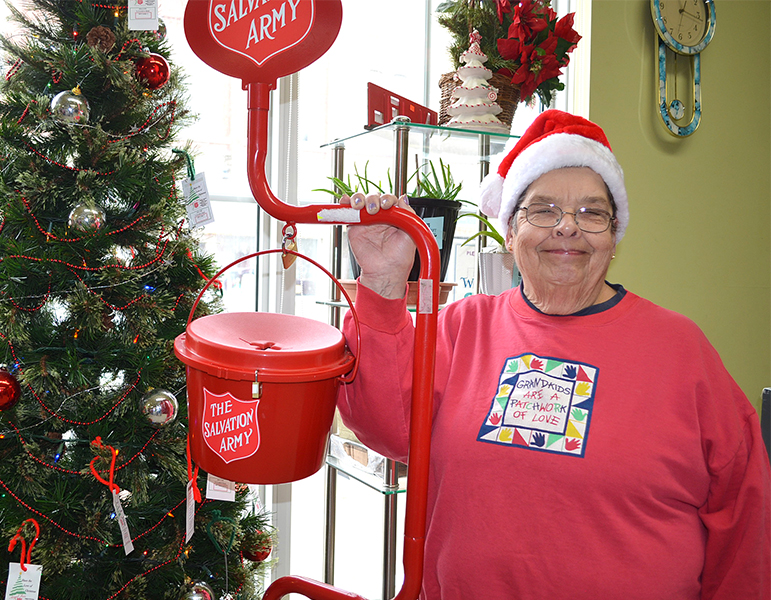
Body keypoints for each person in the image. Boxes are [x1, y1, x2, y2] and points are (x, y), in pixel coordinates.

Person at [336, 110, 771, 600]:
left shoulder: (683, 351)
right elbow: (388, 428)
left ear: (614, 236)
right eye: (542, 210)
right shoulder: (463, 327)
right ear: (509, 231)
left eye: (591, 213)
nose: (567, 228)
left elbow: (745, 517)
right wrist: (384, 281)